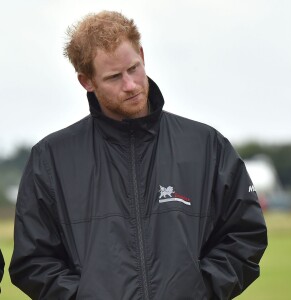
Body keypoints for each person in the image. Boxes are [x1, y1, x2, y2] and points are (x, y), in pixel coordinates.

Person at [9, 11, 267, 299]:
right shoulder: (50, 159)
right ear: (87, 82)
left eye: (133, 68)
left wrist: (200, 290)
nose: (130, 85)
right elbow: (32, 262)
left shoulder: (207, 146)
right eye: (114, 77)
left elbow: (245, 235)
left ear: (142, 55)